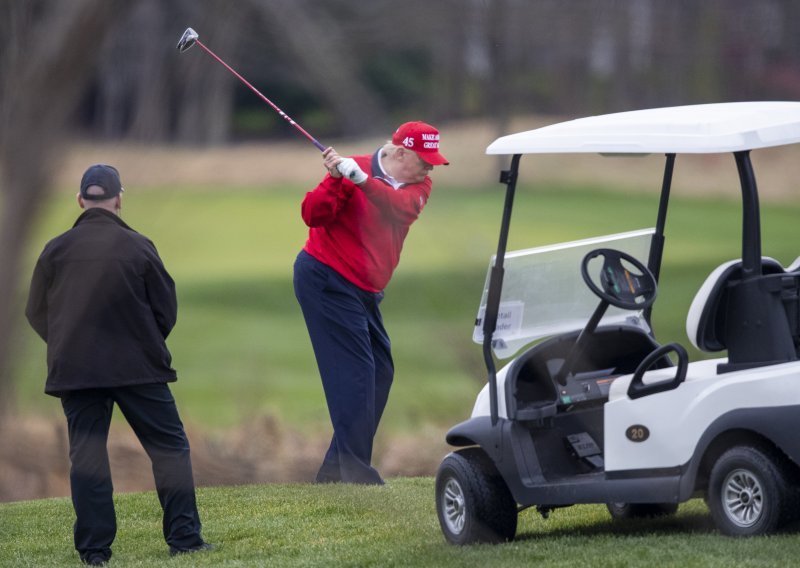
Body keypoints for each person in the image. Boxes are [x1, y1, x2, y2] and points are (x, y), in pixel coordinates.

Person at [25, 165, 212, 565]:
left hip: (76, 371)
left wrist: (66, 344)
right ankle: (184, 539)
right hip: (138, 368)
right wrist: (143, 340)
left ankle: (94, 551)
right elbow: (166, 311)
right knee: (169, 449)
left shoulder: (54, 251)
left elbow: (35, 312)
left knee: (88, 457)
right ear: (118, 199)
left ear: (80, 201)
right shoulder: (139, 247)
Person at [293, 121, 448, 484]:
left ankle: (334, 471)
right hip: (326, 278)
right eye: (424, 160)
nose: (430, 167)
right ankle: (355, 473)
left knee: (381, 372)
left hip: (364, 289)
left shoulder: (418, 186)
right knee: (358, 373)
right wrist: (335, 178)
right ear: (399, 152)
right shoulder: (353, 168)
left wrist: (359, 179)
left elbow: (395, 208)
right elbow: (312, 215)